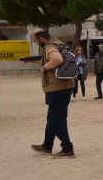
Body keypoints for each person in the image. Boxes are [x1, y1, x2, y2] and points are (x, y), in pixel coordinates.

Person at [23, 29, 76, 158]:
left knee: (57, 120)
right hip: (62, 87)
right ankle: (47, 146)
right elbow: (47, 59)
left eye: (35, 41)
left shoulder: (49, 47)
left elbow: (56, 60)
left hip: (57, 89)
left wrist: (44, 68)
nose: (35, 43)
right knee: (52, 119)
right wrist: (31, 60)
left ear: (42, 39)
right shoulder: (58, 43)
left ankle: (67, 148)